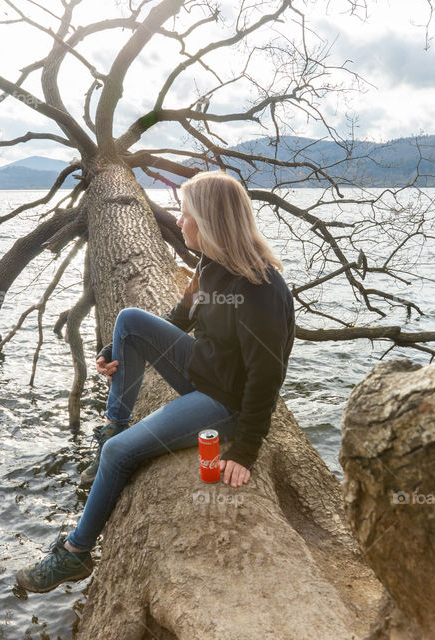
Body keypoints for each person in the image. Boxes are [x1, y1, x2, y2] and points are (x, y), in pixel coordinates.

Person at [15, 170, 295, 593]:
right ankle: (116, 421)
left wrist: (246, 450)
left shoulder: (260, 288)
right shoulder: (211, 264)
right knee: (128, 321)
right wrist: (116, 351)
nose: (178, 223)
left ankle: (74, 555)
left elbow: (268, 374)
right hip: (202, 372)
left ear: (211, 222)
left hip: (226, 404)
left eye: (186, 215)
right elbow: (179, 319)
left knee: (117, 455)